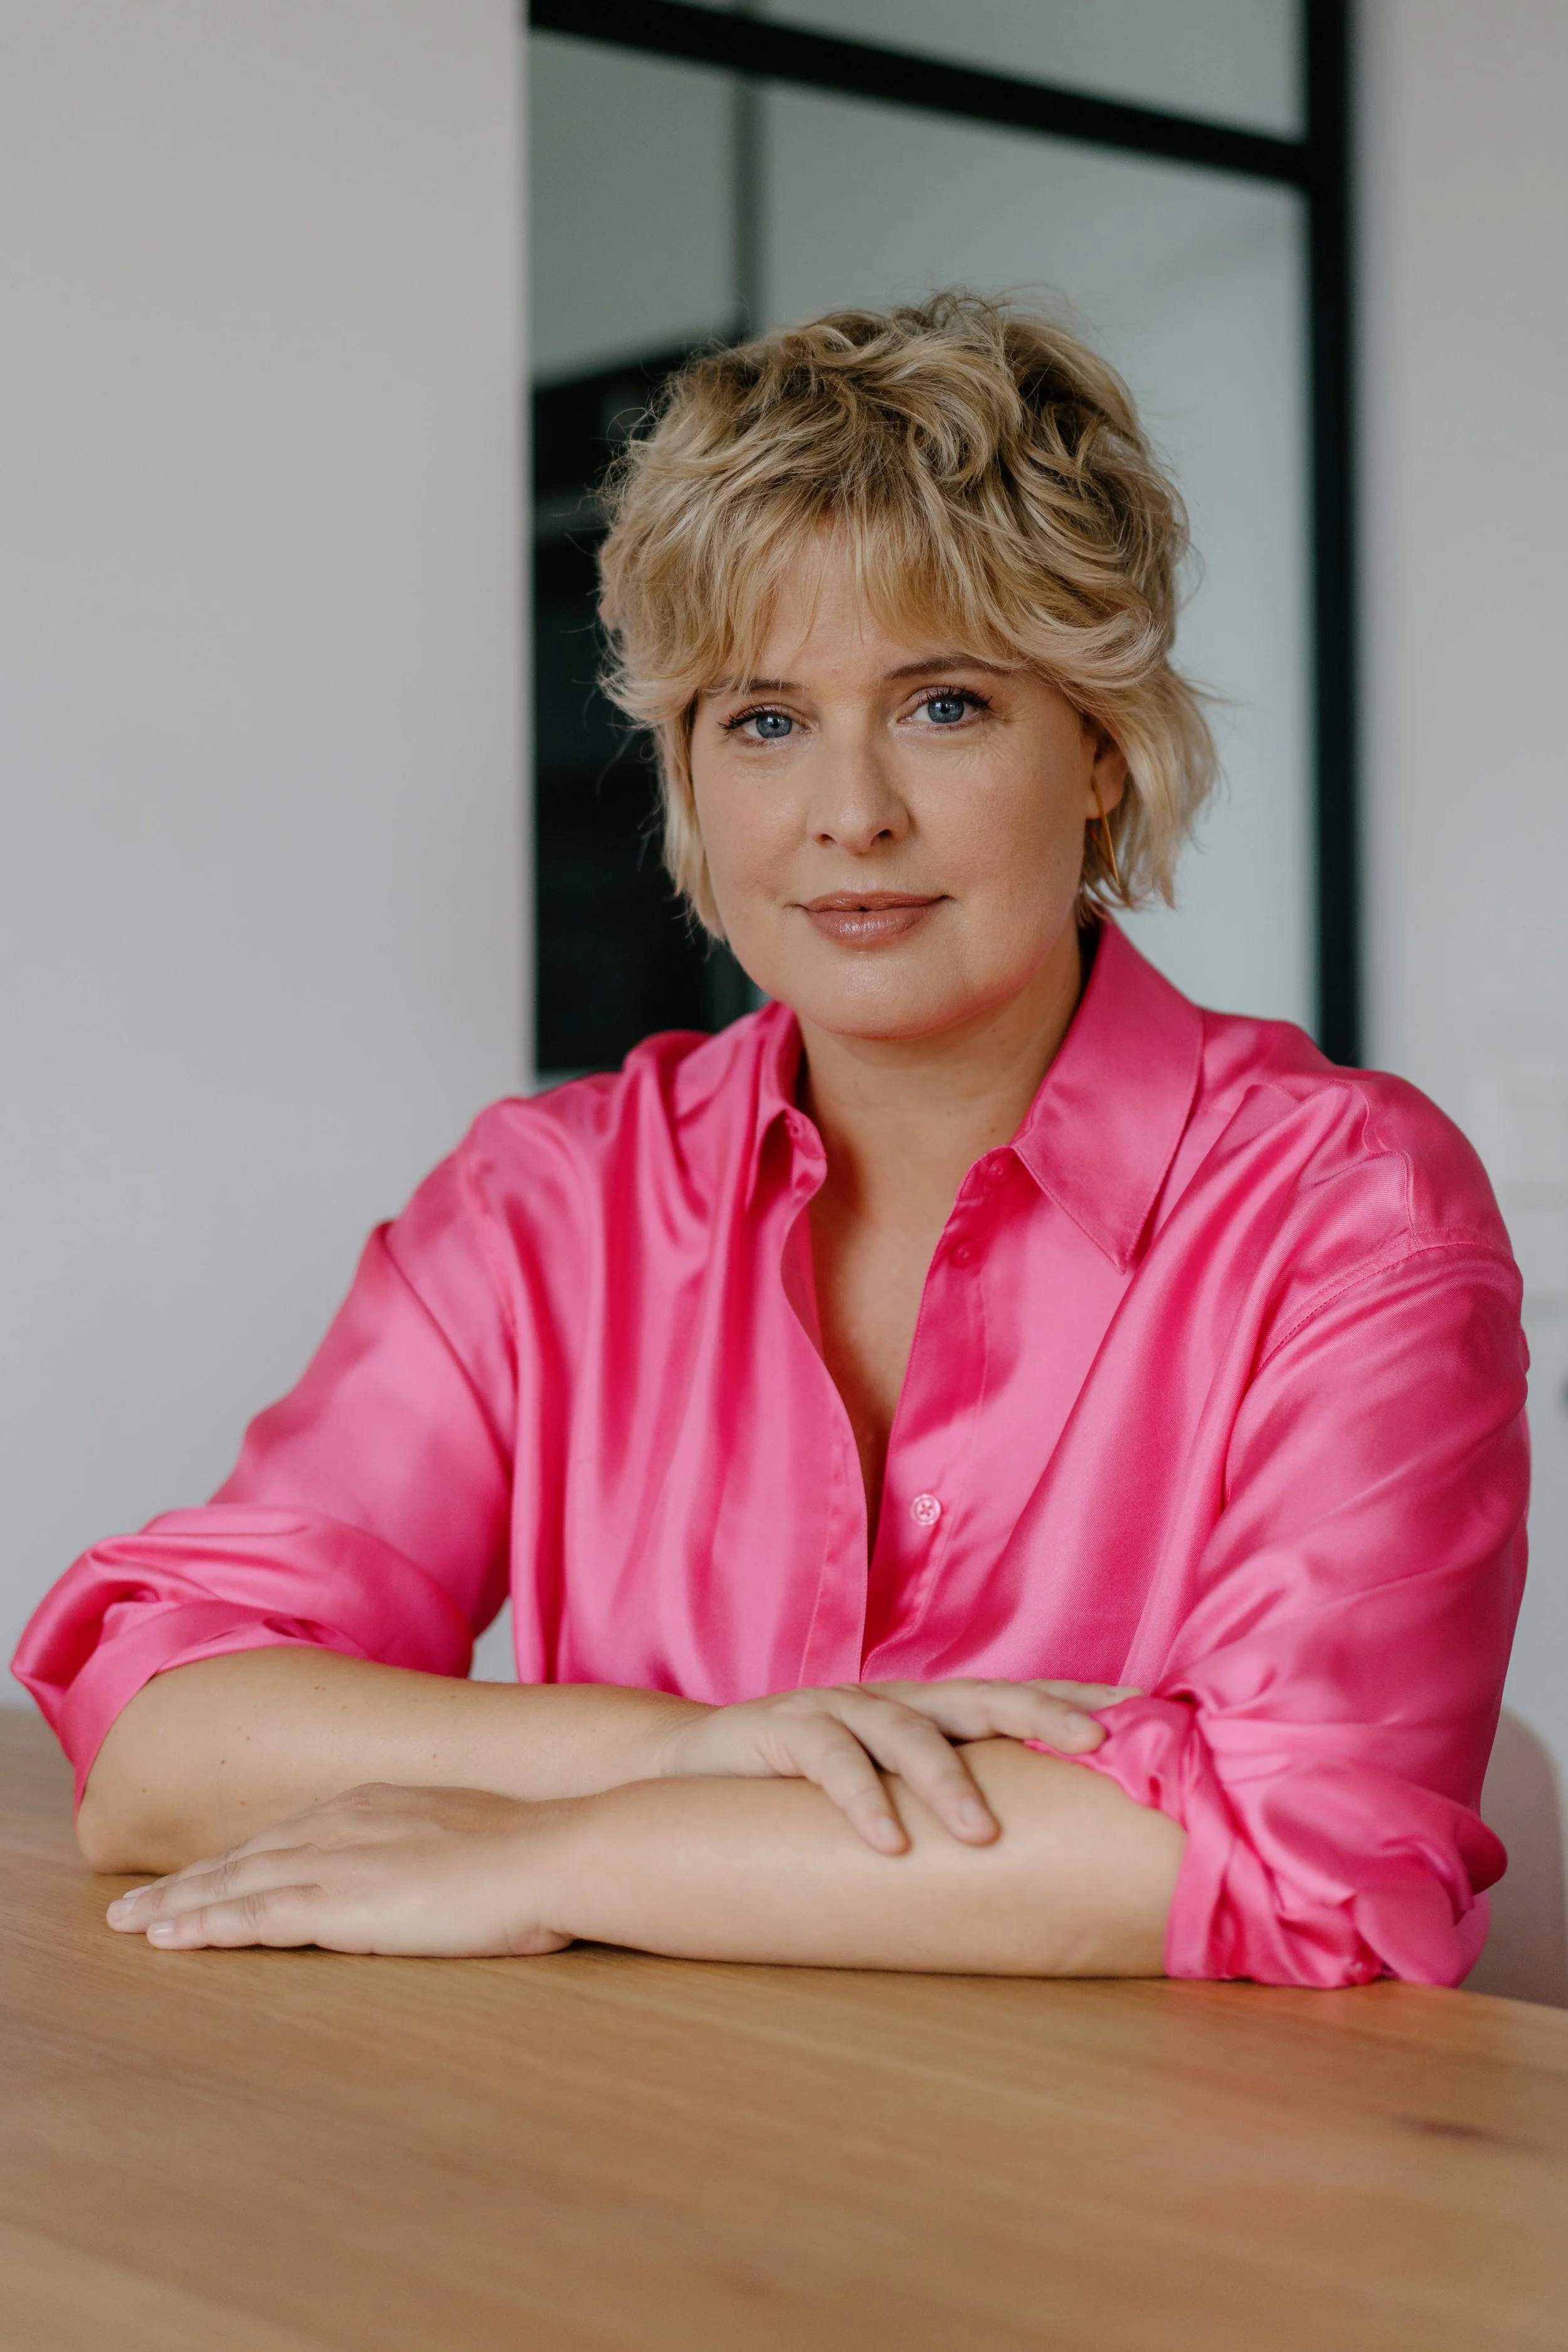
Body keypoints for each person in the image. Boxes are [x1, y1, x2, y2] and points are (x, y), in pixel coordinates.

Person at [14, 294, 1527, 1986]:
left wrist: (561, 1853)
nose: (848, 813)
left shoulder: (1346, 1206)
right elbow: (157, 1737)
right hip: (651, 2127)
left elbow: (1314, 1850)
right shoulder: (549, 1201)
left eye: (944, 705)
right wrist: (672, 1748)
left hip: (1148, 2144)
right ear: (687, 769)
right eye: (763, 720)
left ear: (1100, 746)